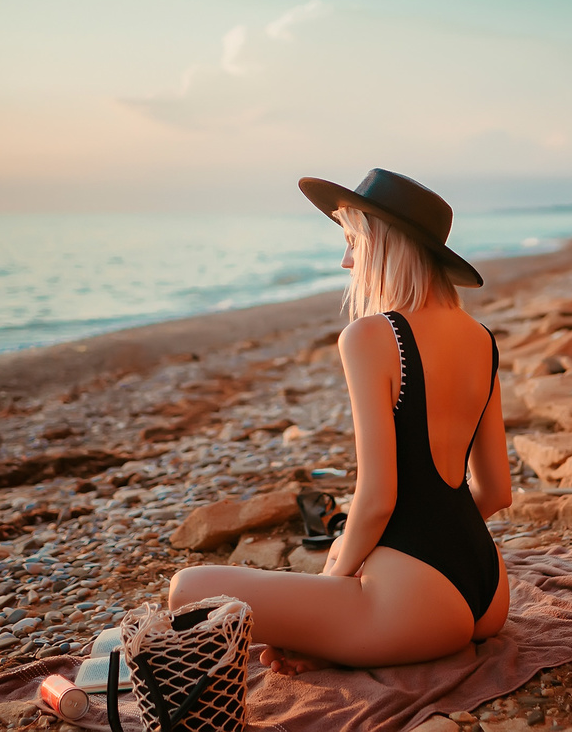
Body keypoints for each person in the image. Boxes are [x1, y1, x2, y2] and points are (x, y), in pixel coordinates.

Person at [168, 168, 511, 675]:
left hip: (416, 607)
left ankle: (348, 628)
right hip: (488, 591)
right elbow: (497, 490)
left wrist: (337, 581)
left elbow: (377, 501)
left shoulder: (372, 337)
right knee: (335, 587)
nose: (345, 259)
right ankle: (342, 633)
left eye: (353, 241)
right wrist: (421, 552)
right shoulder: (481, 338)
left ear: (386, 245)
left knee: (186, 589)